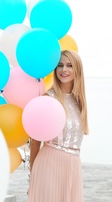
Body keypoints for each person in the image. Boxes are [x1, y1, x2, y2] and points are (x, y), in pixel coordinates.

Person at [27, 49, 89, 202]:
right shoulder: (48, 98)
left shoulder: (78, 102)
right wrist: (33, 174)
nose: (64, 70)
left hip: (73, 166)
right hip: (49, 164)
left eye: (69, 65)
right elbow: (35, 141)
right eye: (60, 65)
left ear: (77, 70)